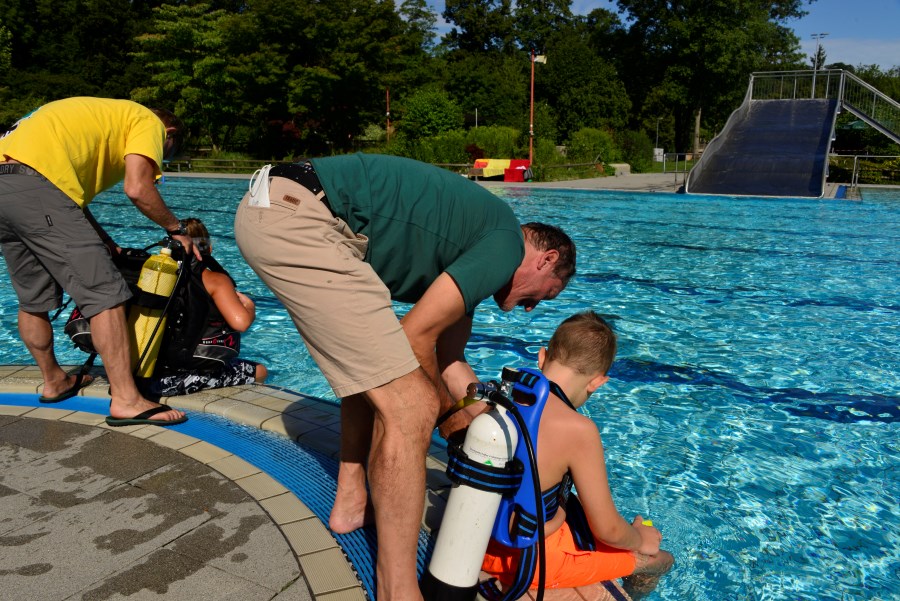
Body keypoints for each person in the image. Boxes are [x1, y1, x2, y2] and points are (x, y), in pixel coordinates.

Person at [234, 153, 576, 600]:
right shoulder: (505, 244)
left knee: (376, 371)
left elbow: (450, 361)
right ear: (545, 259)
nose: (531, 308)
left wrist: (486, 420)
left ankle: (352, 503)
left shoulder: (476, 255)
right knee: (410, 403)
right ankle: (399, 592)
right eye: (544, 296)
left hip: (287, 208)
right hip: (301, 215)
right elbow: (414, 340)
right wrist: (450, 421)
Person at [0, 96, 193, 426]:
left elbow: (66, 196)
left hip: (7, 184)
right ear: (169, 132)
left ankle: (54, 381)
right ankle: (127, 400)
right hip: (36, 186)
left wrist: (104, 239)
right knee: (106, 294)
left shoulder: (101, 116)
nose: (160, 161)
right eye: (167, 154)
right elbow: (137, 187)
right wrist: (178, 229)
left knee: (33, 300)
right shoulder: (147, 121)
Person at [481, 311, 674, 599]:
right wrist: (640, 539)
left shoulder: (503, 398)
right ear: (598, 382)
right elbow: (607, 528)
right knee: (661, 560)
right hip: (526, 563)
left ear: (542, 357)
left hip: (478, 541)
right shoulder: (579, 429)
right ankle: (627, 592)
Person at [148, 217, 268, 396]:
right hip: (176, 380)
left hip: (147, 371)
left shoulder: (157, 274)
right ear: (209, 249)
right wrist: (250, 307)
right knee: (259, 371)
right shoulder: (215, 280)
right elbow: (241, 323)